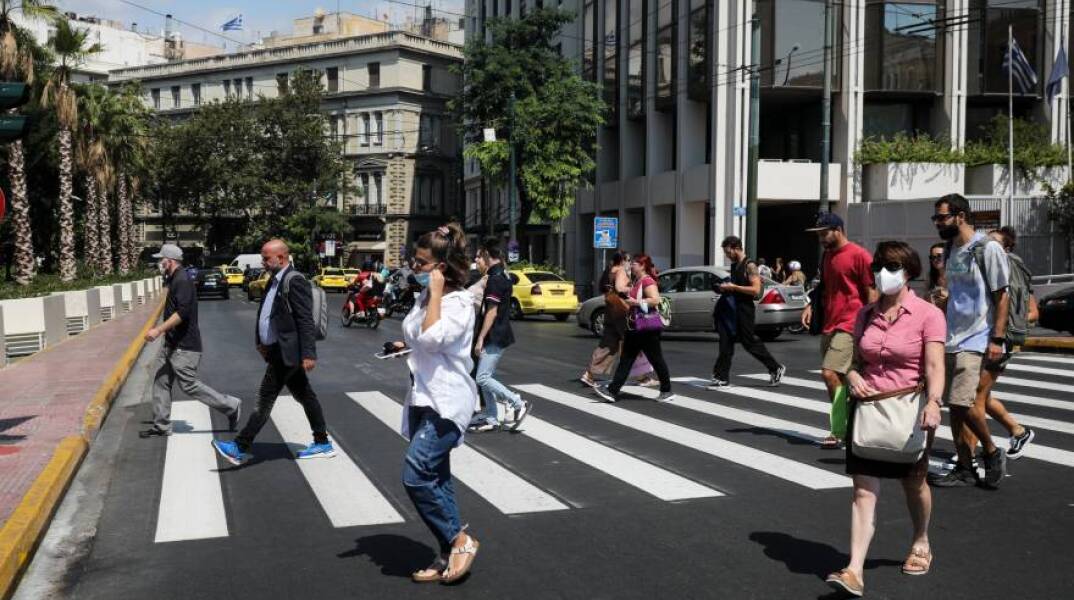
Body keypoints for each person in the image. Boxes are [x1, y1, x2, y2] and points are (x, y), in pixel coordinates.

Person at [826, 241, 944, 598]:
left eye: (890, 267)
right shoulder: (865, 314)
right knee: (863, 489)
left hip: (909, 410)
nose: (882, 274)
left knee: (914, 484)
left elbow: (935, 365)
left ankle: (921, 539)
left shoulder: (927, 314)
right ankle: (854, 570)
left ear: (908, 273)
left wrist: (934, 402)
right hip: (869, 410)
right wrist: (852, 376)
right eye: (878, 267)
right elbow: (856, 361)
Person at [396, 223, 481, 584]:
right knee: (437, 477)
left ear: (441, 268)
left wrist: (433, 295)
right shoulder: (424, 299)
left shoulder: (459, 304)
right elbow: (418, 337)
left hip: (447, 402)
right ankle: (448, 552)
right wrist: (402, 347)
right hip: (422, 397)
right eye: (414, 261)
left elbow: (431, 338)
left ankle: (459, 539)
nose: (414, 268)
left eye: (421, 263)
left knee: (415, 474)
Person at [211, 240, 334, 465]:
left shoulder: (294, 280)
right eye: (263, 257)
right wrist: (261, 341)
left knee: (264, 399)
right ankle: (322, 441)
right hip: (278, 349)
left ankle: (239, 446)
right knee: (305, 395)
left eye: (266, 258)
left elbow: (305, 320)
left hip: (287, 352)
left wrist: (309, 353)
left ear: (281, 257)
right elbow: (266, 313)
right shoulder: (273, 281)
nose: (263, 262)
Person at [927, 232, 1035, 466]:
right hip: (967, 341)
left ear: (1005, 248)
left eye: (995, 242)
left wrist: (999, 337)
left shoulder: (1007, 273)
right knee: (974, 397)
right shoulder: (965, 271)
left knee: (971, 398)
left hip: (993, 341)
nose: (986, 246)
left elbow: (1030, 311)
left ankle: (977, 452)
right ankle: (1016, 431)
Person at [927, 194, 1010, 488]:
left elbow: (1002, 295)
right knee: (955, 406)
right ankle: (964, 466)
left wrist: (997, 339)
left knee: (962, 403)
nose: (938, 223)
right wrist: (942, 300)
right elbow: (956, 291)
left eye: (942, 217)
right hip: (951, 335)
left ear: (960, 216)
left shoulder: (987, 248)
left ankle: (990, 450)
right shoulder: (950, 249)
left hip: (978, 336)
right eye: (936, 218)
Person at [141, 244, 242, 438]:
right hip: (172, 344)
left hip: (184, 346)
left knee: (189, 385)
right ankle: (161, 425)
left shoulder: (183, 280)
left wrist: (158, 330)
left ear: (169, 261)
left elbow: (182, 313)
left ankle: (230, 405)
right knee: (161, 382)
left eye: (161, 260)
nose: (159, 263)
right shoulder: (174, 278)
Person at [801, 212, 878, 449]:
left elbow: (871, 292)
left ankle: (839, 430)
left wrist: (870, 324)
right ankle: (855, 425)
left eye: (824, 233)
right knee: (843, 379)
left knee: (829, 373)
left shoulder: (859, 255)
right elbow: (825, 288)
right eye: (819, 235)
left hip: (850, 323)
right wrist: (810, 306)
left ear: (838, 229)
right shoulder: (828, 256)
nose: (821, 239)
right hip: (830, 323)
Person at [467, 237, 532, 433]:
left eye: (481, 255)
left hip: (494, 334)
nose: (478, 260)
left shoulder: (495, 280)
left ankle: (517, 402)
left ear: (487, 255)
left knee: (483, 378)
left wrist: (480, 338)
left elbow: (491, 311)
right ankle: (491, 416)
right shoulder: (502, 275)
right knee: (485, 375)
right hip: (499, 333)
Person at [593, 254, 674, 402]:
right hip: (635, 326)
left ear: (642, 266)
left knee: (656, 359)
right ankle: (612, 391)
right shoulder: (638, 281)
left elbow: (655, 300)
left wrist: (635, 302)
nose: (632, 266)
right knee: (626, 360)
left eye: (635, 264)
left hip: (647, 327)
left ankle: (667, 390)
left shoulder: (648, 281)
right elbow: (626, 292)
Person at [709, 236, 786, 388]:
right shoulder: (735, 265)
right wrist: (723, 287)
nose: (727, 255)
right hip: (732, 308)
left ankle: (775, 368)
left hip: (745, 308)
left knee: (749, 342)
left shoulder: (750, 265)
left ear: (736, 247)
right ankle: (721, 376)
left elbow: (756, 290)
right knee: (726, 340)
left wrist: (733, 288)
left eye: (728, 251)